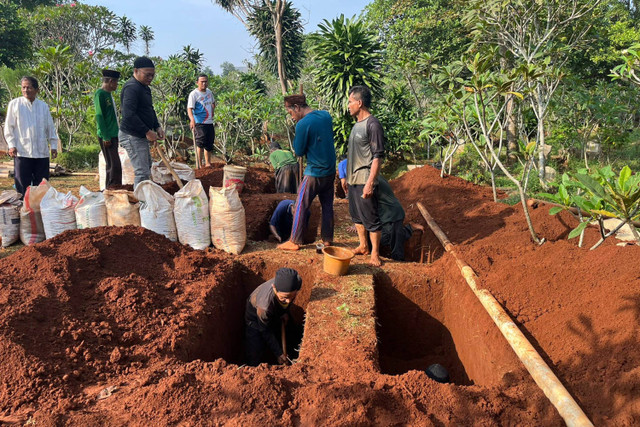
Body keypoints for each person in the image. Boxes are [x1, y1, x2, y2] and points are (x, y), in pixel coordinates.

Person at [278, 94, 336, 251]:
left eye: (291, 113)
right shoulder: (325, 116)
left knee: (300, 206)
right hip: (330, 171)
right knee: (327, 206)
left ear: (296, 108)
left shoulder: (303, 124)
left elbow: (299, 150)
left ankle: (294, 240)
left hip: (314, 173)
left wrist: (299, 130)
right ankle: (327, 239)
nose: (292, 117)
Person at [339, 159, 423, 261]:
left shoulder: (366, 182)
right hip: (384, 213)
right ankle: (402, 231)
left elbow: (367, 208)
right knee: (374, 239)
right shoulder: (368, 175)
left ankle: (407, 232)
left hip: (392, 215)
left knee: (393, 247)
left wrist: (362, 223)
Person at [346, 85, 385, 266]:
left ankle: (375, 254)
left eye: (350, 101)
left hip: (364, 179)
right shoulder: (356, 125)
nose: (348, 105)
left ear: (359, 103)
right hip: (353, 180)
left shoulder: (372, 124)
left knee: (371, 219)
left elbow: (378, 156)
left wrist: (370, 183)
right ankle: (363, 246)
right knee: (357, 217)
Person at [3, 76, 58, 197]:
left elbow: (50, 128)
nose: (26, 90)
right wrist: (11, 145)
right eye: (23, 87)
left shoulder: (43, 106)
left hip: (41, 152)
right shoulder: (15, 104)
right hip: (22, 152)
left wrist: (53, 146)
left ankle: (39, 211)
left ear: (37, 90)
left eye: (29, 87)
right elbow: (9, 127)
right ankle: (24, 211)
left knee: (42, 185)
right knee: (22, 184)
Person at [119, 56, 164, 188]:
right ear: (136, 71)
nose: (150, 78)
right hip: (131, 135)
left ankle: (144, 200)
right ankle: (141, 203)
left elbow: (149, 109)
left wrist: (157, 126)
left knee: (147, 168)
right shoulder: (131, 88)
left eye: (152, 75)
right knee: (142, 172)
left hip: (140, 134)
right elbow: (128, 115)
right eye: (147, 75)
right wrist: (147, 131)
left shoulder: (145, 88)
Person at [244, 267, 302, 366]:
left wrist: (285, 312)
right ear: (274, 288)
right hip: (255, 320)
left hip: (275, 312)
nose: (288, 301)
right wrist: (278, 353)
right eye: (284, 297)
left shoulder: (296, 282)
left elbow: (287, 300)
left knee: (293, 331)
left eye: (292, 296)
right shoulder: (264, 307)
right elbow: (265, 330)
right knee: (255, 350)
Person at [94, 69, 122, 188]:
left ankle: (114, 187)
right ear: (111, 81)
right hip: (107, 135)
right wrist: (105, 136)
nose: (116, 85)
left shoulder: (109, 95)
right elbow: (99, 116)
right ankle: (111, 188)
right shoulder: (100, 94)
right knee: (113, 165)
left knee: (115, 164)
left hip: (114, 134)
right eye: (116, 83)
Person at [187, 73, 216, 168]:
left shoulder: (209, 92)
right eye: (202, 82)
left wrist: (212, 112)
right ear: (197, 83)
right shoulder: (194, 94)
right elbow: (190, 108)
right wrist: (192, 120)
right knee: (200, 142)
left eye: (205, 81)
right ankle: (199, 164)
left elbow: (213, 103)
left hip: (209, 122)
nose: (204, 83)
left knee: (209, 142)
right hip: (199, 122)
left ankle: (208, 163)